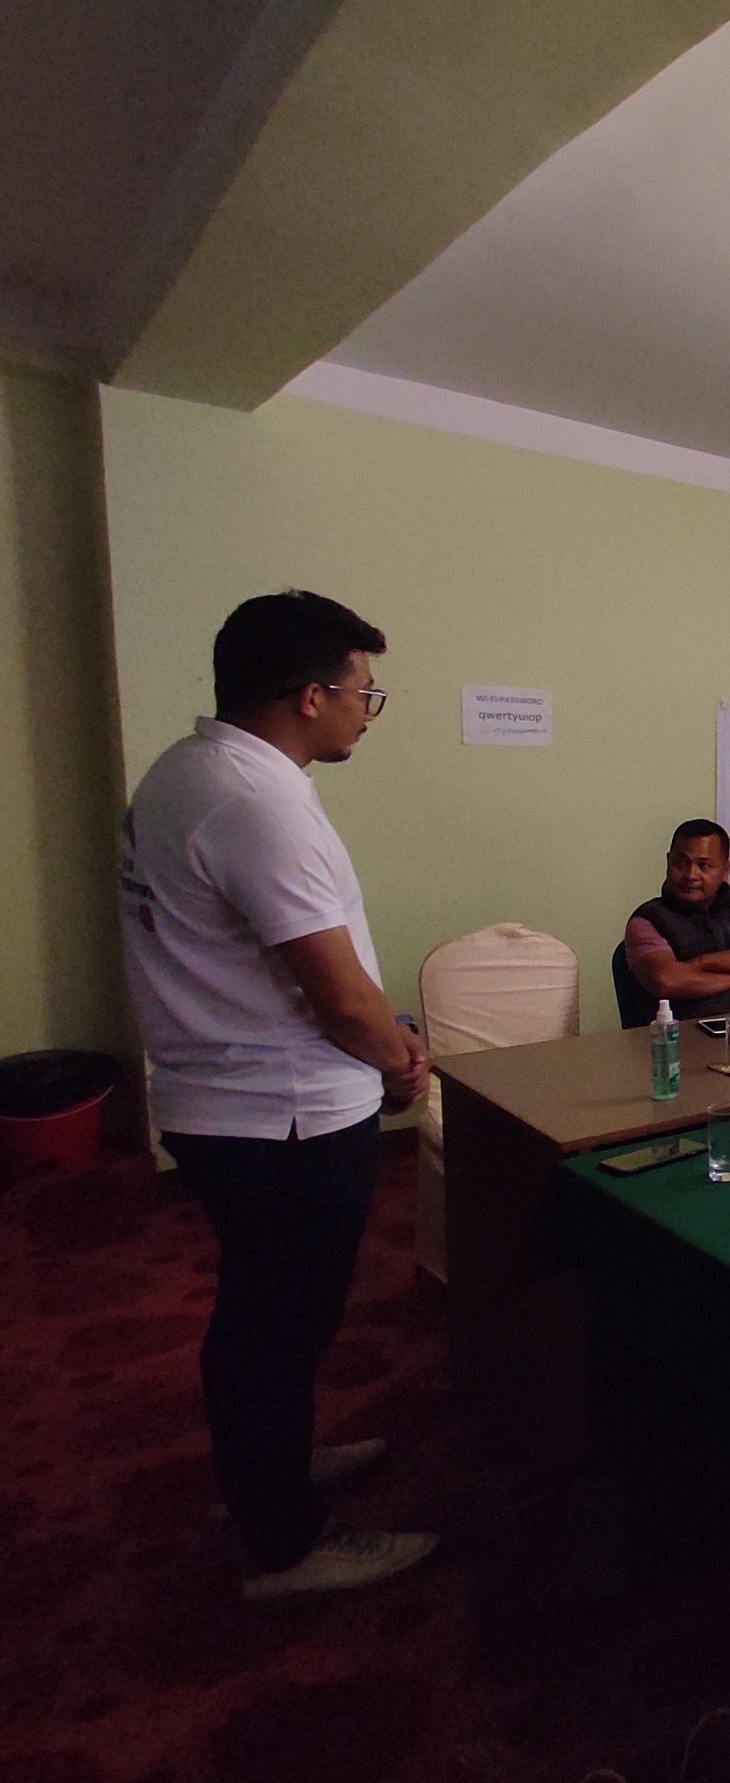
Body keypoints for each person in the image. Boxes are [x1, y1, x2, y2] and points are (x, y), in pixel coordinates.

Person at [117, 590, 437, 1600]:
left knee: (270, 1320)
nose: (366, 712)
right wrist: (399, 1060)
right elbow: (340, 995)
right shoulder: (256, 803)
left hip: (231, 1104)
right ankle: (284, 1544)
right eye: (363, 692)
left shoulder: (189, 772)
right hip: (284, 1116)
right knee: (275, 1325)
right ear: (311, 695)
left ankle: (272, 1474)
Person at [623, 819, 730, 1019]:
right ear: (668, 861)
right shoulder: (646, 920)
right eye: (681, 863)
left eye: (704, 866)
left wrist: (699, 963)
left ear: (725, 870)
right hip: (689, 1038)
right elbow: (667, 980)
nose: (691, 875)